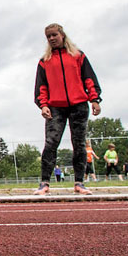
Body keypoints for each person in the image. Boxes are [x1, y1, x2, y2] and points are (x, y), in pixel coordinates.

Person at [32, 23, 102, 196]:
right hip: (55, 108)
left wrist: (94, 99)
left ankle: (79, 182)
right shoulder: (44, 61)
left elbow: (89, 78)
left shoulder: (78, 56)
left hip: (79, 105)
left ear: (62, 35)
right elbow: (41, 87)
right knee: (50, 144)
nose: (51, 38)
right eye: (48, 36)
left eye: (54, 35)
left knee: (79, 144)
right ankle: (44, 183)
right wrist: (44, 105)